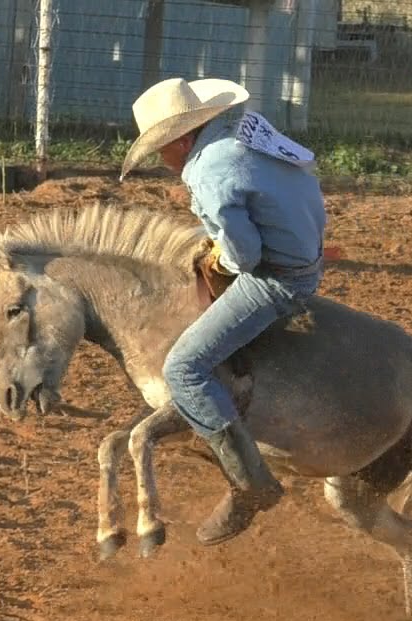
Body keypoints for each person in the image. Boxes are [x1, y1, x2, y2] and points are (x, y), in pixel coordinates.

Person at [119, 77, 328, 545]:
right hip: (305, 255)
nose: (163, 161)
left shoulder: (207, 170)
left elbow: (246, 256)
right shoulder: (244, 134)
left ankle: (249, 482)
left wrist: (218, 257)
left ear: (180, 140)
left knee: (185, 367)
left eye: (160, 151)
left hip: (278, 278)